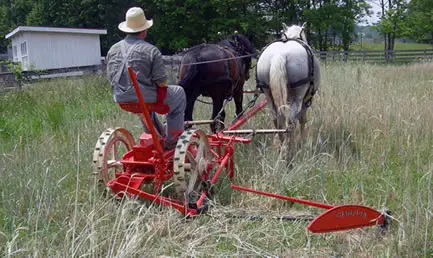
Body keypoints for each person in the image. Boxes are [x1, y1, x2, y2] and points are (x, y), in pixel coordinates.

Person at [106, 7, 186, 150]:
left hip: (120, 97)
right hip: (141, 97)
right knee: (178, 93)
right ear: (144, 31)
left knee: (145, 103)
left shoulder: (113, 49)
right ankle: (173, 141)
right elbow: (161, 83)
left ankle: (155, 133)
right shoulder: (151, 50)